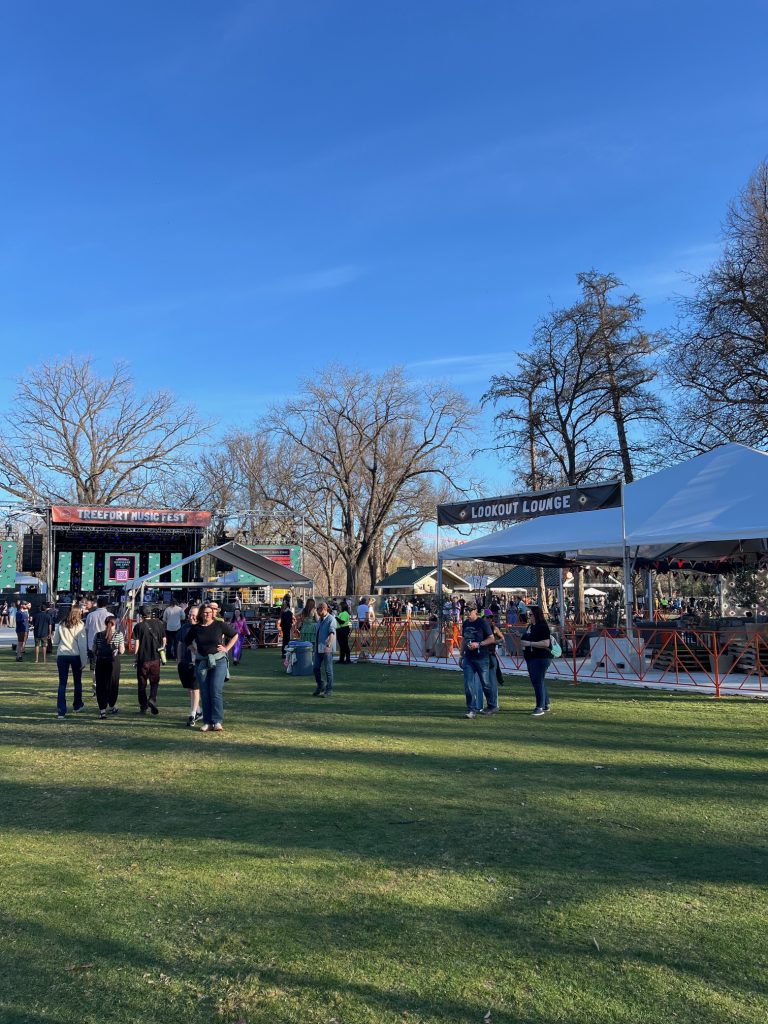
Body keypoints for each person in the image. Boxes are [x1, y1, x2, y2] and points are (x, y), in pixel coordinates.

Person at [184, 603, 237, 732]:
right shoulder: (196, 628)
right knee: (205, 691)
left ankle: (217, 721)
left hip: (218, 661)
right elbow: (187, 641)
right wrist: (194, 650)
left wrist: (226, 649)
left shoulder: (219, 625)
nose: (207, 614)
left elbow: (235, 635)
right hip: (202, 662)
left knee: (215, 690)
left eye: (210, 612)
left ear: (213, 613)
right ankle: (207, 722)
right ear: (201, 614)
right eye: (205, 612)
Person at [460, 601, 497, 719]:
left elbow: (492, 639)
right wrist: (461, 655)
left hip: (482, 657)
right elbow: (463, 639)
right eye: (466, 610)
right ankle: (471, 709)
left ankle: (491, 705)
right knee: (468, 684)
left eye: (469, 610)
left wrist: (479, 644)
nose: (467, 613)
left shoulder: (482, 623)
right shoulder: (465, 623)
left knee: (485, 684)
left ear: (475, 611)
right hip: (468, 658)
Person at [52, 606, 88, 718]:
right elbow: (82, 645)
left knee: (62, 683)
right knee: (77, 681)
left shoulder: (61, 624)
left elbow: (55, 641)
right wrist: (84, 660)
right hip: (75, 655)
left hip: (62, 654)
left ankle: (61, 710)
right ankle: (77, 705)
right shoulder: (80, 625)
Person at [132, 605, 166, 715]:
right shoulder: (159, 624)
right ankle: (152, 698)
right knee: (154, 681)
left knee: (142, 683)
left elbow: (137, 644)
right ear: (151, 613)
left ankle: (143, 705)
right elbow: (164, 639)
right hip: (156, 658)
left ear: (141, 615)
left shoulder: (138, 627)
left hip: (143, 659)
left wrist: (135, 656)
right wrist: (161, 648)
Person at [93, 614, 125, 719]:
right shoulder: (119, 634)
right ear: (114, 624)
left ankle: (102, 710)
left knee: (101, 685)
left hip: (101, 662)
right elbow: (121, 650)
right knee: (113, 685)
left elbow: (94, 650)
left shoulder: (98, 635)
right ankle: (111, 705)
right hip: (113, 662)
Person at [521, 605, 552, 716]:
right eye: (528, 614)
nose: (529, 616)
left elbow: (546, 643)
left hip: (541, 657)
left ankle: (540, 707)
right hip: (531, 657)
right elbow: (529, 637)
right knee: (539, 681)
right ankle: (546, 703)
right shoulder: (531, 626)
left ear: (536, 615)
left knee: (537, 681)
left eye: (531, 615)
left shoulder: (542, 626)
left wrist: (529, 643)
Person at [177, 605, 202, 727]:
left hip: (196, 663)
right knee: (189, 689)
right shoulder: (184, 628)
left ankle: (192, 714)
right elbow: (180, 644)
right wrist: (179, 660)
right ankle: (198, 710)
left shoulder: (201, 628)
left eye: (194, 615)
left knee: (195, 689)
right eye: (190, 614)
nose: (191, 617)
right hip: (185, 662)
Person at [312, 601, 336, 697]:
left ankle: (329, 690)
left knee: (328, 670)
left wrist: (328, 645)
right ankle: (321, 684)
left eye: (318, 609)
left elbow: (332, 633)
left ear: (323, 609)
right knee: (315, 668)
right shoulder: (319, 620)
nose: (316, 611)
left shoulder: (331, 619)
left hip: (327, 649)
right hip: (318, 648)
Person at [336, 599, 352, 664]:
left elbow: (342, 622)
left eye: (340, 607)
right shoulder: (341, 613)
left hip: (343, 629)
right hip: (339, 630)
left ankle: (348, 659)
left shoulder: (345, 613)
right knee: (341, 645)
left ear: (343, 607)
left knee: (345, 645)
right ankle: (341, 659)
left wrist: (336, 618)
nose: (339, 608)